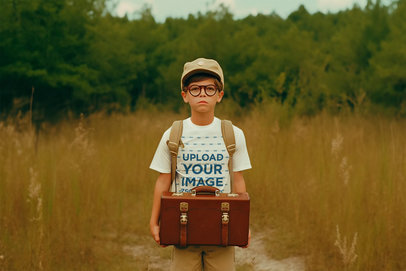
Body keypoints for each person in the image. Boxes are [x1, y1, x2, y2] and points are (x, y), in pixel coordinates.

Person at [149, 57, 252, 271]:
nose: (203, 94)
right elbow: (163, 181)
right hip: (183, 225)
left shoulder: (233, 134)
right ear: (185, 96)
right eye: (195, 89)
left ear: (219, 95)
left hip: (222, 226)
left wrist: (243, 224)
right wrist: (154, 222)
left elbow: (238, 179)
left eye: (209, 89)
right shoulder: (173, 134)